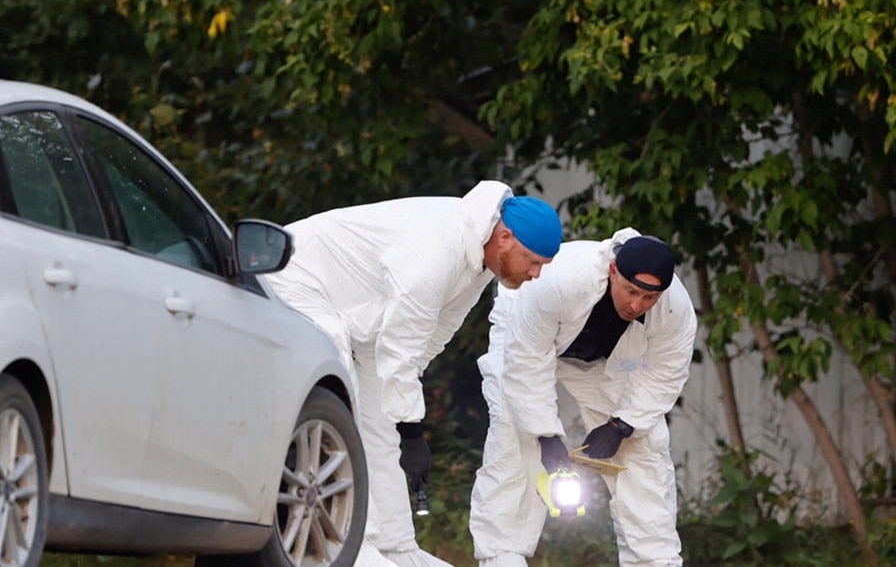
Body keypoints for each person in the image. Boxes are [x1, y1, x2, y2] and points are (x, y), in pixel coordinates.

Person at [265, 180, 563, 567]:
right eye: (532, 261)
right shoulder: (441, 247)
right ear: (505, 238)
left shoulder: (479, 261)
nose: (535, 274)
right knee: (340, 393)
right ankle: (349, 540)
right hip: (294, 276)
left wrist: (403, 420)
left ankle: (393, 542)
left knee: (382, 416)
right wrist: (411, 430)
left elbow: (431, 337)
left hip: (360, 315)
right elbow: (402, 342)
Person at [468, 228, 697, 567]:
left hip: (597, 358)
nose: (637, 305)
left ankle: (654, 560)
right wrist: (547, 437)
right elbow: (527, 363)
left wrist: (622, 425)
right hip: (526, 337)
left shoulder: (675, 309)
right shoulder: (561, 281)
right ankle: (502, 557)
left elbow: (665, 373)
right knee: (514, 436)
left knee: (643, 445)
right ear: (613, 271)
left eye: (649, 298)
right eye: (631, 291)